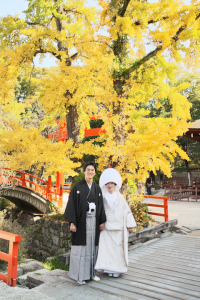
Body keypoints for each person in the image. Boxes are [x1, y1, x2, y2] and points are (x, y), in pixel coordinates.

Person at [63, 162, 106, 285]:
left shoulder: (97, 188)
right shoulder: (77, 187)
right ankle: (79, 276)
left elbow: (101, 206)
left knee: (92, 248)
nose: (90, 172)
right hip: (81, 222)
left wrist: (102, 221)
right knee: (81, 249)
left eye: (92, 170)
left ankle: (92, 274)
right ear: (84, 172)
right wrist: (72, 222)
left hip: (94, 222)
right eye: (88, 170)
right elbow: (71, 205)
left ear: (95, 172)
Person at [95, 168, 136, 277]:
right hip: (107, 225)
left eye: (112, 183)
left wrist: (130, 223)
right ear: (105, 185)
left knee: (118, 249)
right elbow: (99, 211)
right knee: (108, 248)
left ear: (115, 184)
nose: (110, 185)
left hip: (118, 226)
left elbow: (126, 211)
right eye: (108, 183)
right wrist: (100, 222)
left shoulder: (121, 197)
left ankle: (117, 270)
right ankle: (109, 269)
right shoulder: (103, 197)